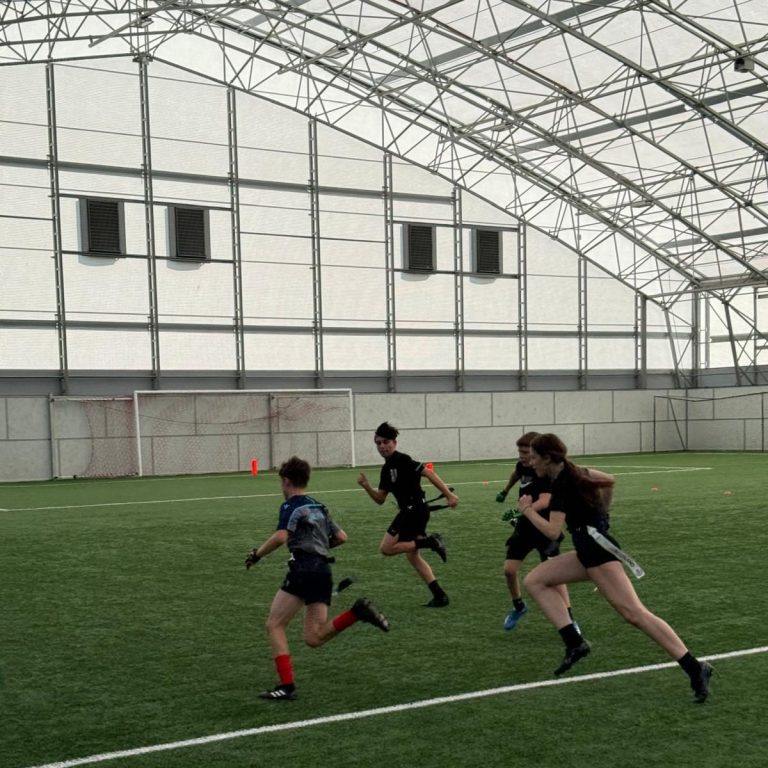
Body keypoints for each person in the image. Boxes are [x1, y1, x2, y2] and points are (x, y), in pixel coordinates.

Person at [521, 433, 713, 703]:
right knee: (536, 580)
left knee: (635, 614)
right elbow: (610, 481)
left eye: (533, 456)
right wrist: (603, 516)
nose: (530, 461)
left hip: (597, 551)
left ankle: (696, 668)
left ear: (548, 458)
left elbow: (552, 532)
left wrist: (528, 511)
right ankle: (575, 643)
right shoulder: (576, 472)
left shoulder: (564, 484)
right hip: (587, 548)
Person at [245, 456, 390, 701]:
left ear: (287, 481)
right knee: (314, 637)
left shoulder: (291, 506)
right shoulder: (319, 507)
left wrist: (257, 555)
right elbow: (342, 537)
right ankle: (357, 612)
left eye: (282, 483)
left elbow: (281, 537)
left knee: (274, 624)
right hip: (323, 571)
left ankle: (286, 686)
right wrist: (319, 547)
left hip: (303, 569)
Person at [357, 422, 459, 607]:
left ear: (394, 442)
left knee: (386, 549)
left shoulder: (402, 459)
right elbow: (380, 499)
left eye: (385, 442)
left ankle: (431, 542)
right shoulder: (386, 469)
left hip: (413, 510)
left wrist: (449, 494)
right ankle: (440, 596)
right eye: (378, 443)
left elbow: (428, 473)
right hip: (414, 511)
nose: (381, 446)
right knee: (413, 556)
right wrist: (366, 487)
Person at [495, 431, 577, 631]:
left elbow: (545, 500)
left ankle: (570, 618)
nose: (523, 457)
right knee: (509, 570)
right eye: (520, 452)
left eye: (526, 452)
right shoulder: (522, 466)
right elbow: (516, 474)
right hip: (525, 526)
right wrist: (505, 491)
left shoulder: (543, 473)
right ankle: (519, 607)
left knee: (556, 577)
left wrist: (521, 510)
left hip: (544, 526)